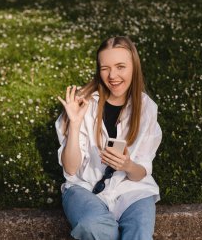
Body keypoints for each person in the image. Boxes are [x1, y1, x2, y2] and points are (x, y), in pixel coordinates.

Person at [55, 36, 162, 240]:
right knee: (95, 226)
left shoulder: (147, 108)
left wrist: (128, 165)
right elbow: (70, 169)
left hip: (132, 190)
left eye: (121, 66)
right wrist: (75, 125)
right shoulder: (82, 103)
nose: (112, 75)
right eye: (105, 68)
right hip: (84, 187)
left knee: (139, 232)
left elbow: (141, 172)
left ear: (134, 67)